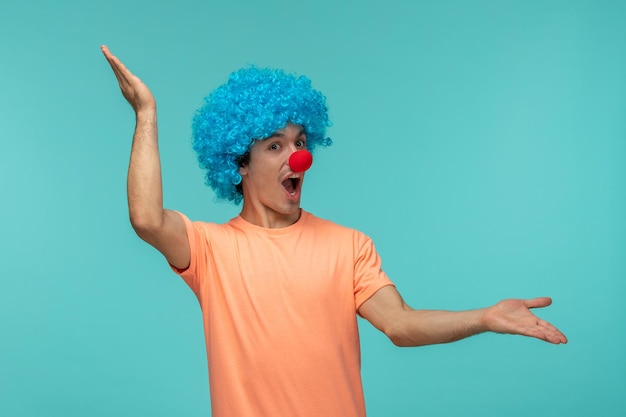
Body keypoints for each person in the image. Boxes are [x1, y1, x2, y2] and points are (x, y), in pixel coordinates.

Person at [101, 45, 567, 417]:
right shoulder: (209, 247)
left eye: (301, 142)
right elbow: (146, 218)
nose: (298, 157)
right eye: (275, 145)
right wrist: (146, 114)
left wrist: (484, 317)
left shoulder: (348, 245)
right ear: (239, 163)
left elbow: (401, 324)